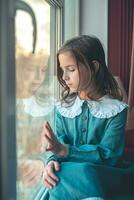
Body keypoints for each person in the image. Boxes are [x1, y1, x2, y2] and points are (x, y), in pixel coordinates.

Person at [41, 35, 134, 200]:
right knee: (57, 174)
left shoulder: (117, 110)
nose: (64, 77)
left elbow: (110, 156)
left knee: (83, 171)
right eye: (62, 70)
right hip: (69, 173)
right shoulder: (63, 109)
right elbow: (59, 146)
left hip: (105, 174)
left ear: (93, 67)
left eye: (71, 69)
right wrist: (51, 161)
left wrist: (65, 150)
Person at [16, 50, 55, 200]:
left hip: (40, 178)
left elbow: (59, 147)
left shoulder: (49, 107)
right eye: (32, 69)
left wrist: (41, 163)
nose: (39, 77)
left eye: (43, 70)